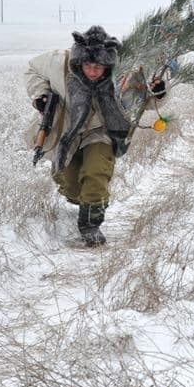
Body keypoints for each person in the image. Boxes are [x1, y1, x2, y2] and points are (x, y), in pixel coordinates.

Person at [24, 25, 162, 246]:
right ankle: (86, 199)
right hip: (67, 131)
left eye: (99, 66)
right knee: (72, 187)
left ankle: (90, 227)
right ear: (79, 62)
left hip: (101, 132)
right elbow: (32, 69)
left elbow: (147, 99)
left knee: (96, 172)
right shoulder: (60, 63)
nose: (93, 71)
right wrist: (41, 95)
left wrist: (159, 90)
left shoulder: (122, 75)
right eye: (88, 66)